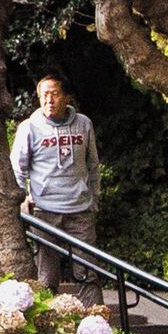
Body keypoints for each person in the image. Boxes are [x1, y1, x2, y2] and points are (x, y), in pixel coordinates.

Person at [12, 75, 106, 296]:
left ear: (67, 97)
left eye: (54, 94)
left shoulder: (84, 124)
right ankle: (51, 325)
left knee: (88, 272)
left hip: (80, 210)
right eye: (44, 95)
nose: (49, 100)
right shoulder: (29, 127)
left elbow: (93, 165)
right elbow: (18, 168)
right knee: (46, 277)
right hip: (44, 212)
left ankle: (96, 322)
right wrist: (22, 199)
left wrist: (94, 198)